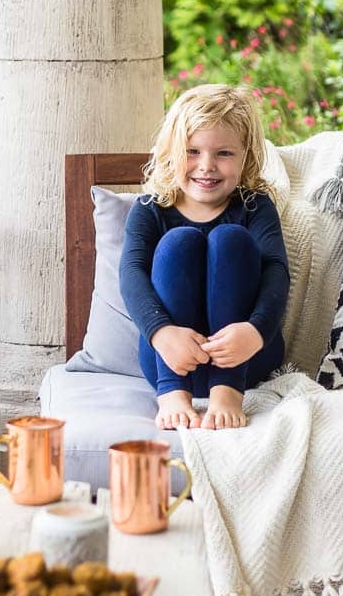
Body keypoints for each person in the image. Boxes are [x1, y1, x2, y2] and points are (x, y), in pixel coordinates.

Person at [120, 84, 289, 430]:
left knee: (230, 239)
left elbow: (276, 273)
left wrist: (255, 331)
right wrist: (162, 333)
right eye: (192, 151)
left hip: (246, 359)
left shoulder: (255, 208)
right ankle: (173, 396)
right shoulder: (150, 209)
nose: (206, 166)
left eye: (224, 153)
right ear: (171, 152)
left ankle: (226, 392)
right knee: (178, 242)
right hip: (168, 360)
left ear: (247, 157)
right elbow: (131, 274)